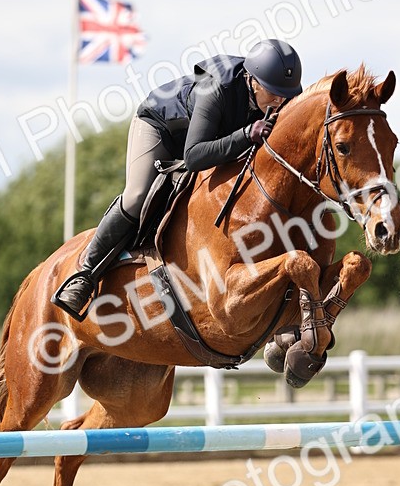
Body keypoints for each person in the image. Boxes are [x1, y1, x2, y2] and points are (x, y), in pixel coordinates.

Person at [52, 38, 303, 319]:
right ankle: (84, 274)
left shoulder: (282, 95)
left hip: (212, 139)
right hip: (163, 129)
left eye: (285, 95)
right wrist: (246, 135)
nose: (279, 101)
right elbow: (195, 155)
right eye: (272, 93)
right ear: (251, 80)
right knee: (137, 195)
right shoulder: (216, 88)